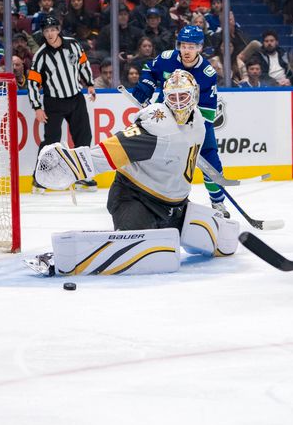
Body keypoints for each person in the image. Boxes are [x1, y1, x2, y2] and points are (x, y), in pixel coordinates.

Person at [29, 71, 240, 276]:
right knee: (141, 253)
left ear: (193, 95)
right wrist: (71, 164)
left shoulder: (199, 122)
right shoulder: (157, 127)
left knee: (225, 241)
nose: (177, 103)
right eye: (172, 97)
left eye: (183, 96)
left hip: (176, 206)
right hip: (135, 199)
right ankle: (63, 258)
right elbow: (113, 150)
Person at [133, 25, 229, 217]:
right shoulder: (167, 58)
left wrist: (187, 130)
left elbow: (208, 113)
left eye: (192, 46)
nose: (186, 50)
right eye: (184, 45)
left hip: (196, 122)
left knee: (210, 158)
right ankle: (149, 195)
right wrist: (146, 86)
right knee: (159, 157)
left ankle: (217, 202)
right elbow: (149, 70)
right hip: (164, 115)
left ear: (200, 48)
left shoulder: (207, 73)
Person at [26, 15, 97, 193]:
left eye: (52, 30)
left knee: (84, 137)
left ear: (58, 30)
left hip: (76, 98)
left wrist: (89, 84)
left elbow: (83, 64)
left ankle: (82, 176)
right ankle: (39, 179)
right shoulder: (41, 55)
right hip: (54, 102)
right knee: (51, 142)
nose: (50, 34)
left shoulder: (73, 44)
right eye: (46, 31)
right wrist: (37, 107)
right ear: (43, 33)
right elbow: (33, 82)